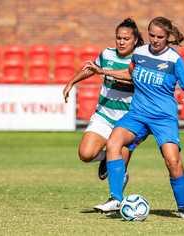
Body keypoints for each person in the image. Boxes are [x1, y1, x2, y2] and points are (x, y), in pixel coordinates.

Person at [83, 16, 184, 220]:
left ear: (167, 37)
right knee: (114, 142)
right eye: (152, 35)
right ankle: (116, 198)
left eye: (160, 37)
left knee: (172, 160)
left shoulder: (174, 60)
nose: (155, 40)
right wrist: (102, 70)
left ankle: (183, 207)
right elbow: (130, 74)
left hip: (163, 118)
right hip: (137, 114)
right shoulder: (139, 53)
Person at [63, 18, 149, 211]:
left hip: (129, 120)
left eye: (126, 38)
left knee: (117, 164)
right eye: (118, 37)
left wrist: (104, 72)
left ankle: (115, 199)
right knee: (85, 154)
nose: (121, 41)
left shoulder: (141, 58)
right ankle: (105, 158)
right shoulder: (107, 54)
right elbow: (90, 69)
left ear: (135, 40)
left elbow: (133, 79)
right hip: (104, 115)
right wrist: (72, 82)